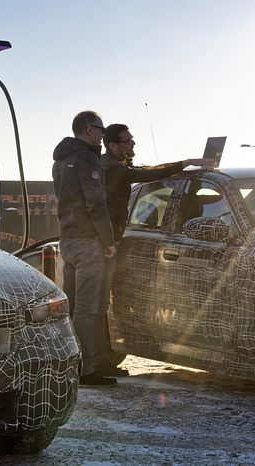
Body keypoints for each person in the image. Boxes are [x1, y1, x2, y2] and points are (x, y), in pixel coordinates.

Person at [94, 123, 210, 375]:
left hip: (104, 240)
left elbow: (142, 172)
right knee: (98, 304)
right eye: (127, 141)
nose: (133, 145)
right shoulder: (113, 170)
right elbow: (145, 174)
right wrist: (186, 162)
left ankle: (98, 360)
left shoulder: (110, 165)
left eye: (132, 141)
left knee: (99, 303)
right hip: (103, 243)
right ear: (112, 145)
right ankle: (97, 362)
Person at [52, 111, 118, 387]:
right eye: (100, 129)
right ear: (88, 129)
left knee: (73, 305)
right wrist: (109, 240)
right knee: (88, 308)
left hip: (67, 240)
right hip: (89, 241)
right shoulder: (87, 157)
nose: (103, 134)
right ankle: (85, 369)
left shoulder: (61, 159)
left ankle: (69, 364)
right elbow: (95, 203)